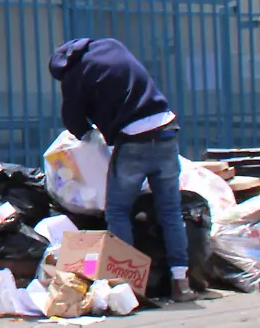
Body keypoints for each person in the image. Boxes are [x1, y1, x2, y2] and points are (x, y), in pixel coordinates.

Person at [48, 38, 196, 304]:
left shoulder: (75, 75)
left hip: (133, 140)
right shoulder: (112, 45)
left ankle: (129, 285)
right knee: (170, 210)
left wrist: (88, 134)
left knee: (117, 210)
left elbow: (72, 119)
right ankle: (181, 282)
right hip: (166, 130)